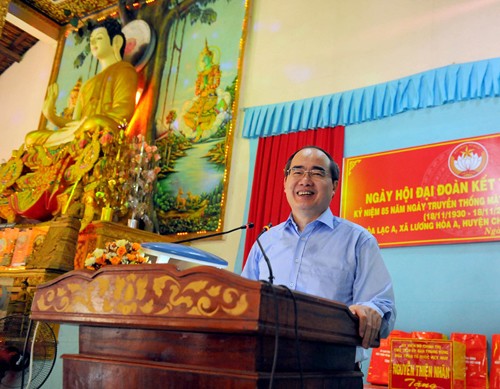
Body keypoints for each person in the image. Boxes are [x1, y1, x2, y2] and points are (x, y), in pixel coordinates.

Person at [241, 145, 396, 364]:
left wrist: (371, 311)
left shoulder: (358, 241)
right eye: (297, 171)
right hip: (267, 366)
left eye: (316, 172)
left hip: (331, 371)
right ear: (285, 183)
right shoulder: (264, 242)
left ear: (333, 187)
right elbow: (242, 302)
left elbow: (381, 306)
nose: (305, 179)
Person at [25, 18, 138, 148]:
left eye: (99, 38)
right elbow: (75, 122)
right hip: (80, 132)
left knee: (92, 123)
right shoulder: (87, 85)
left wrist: (87, 122)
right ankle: (71, 142)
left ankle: (76, 140)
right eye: (91, 40)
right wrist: (51, 116)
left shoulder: (125, 70)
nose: (93, 42)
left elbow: (124, 112)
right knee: (31, 139)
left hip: (103, 128)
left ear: (116, 41)